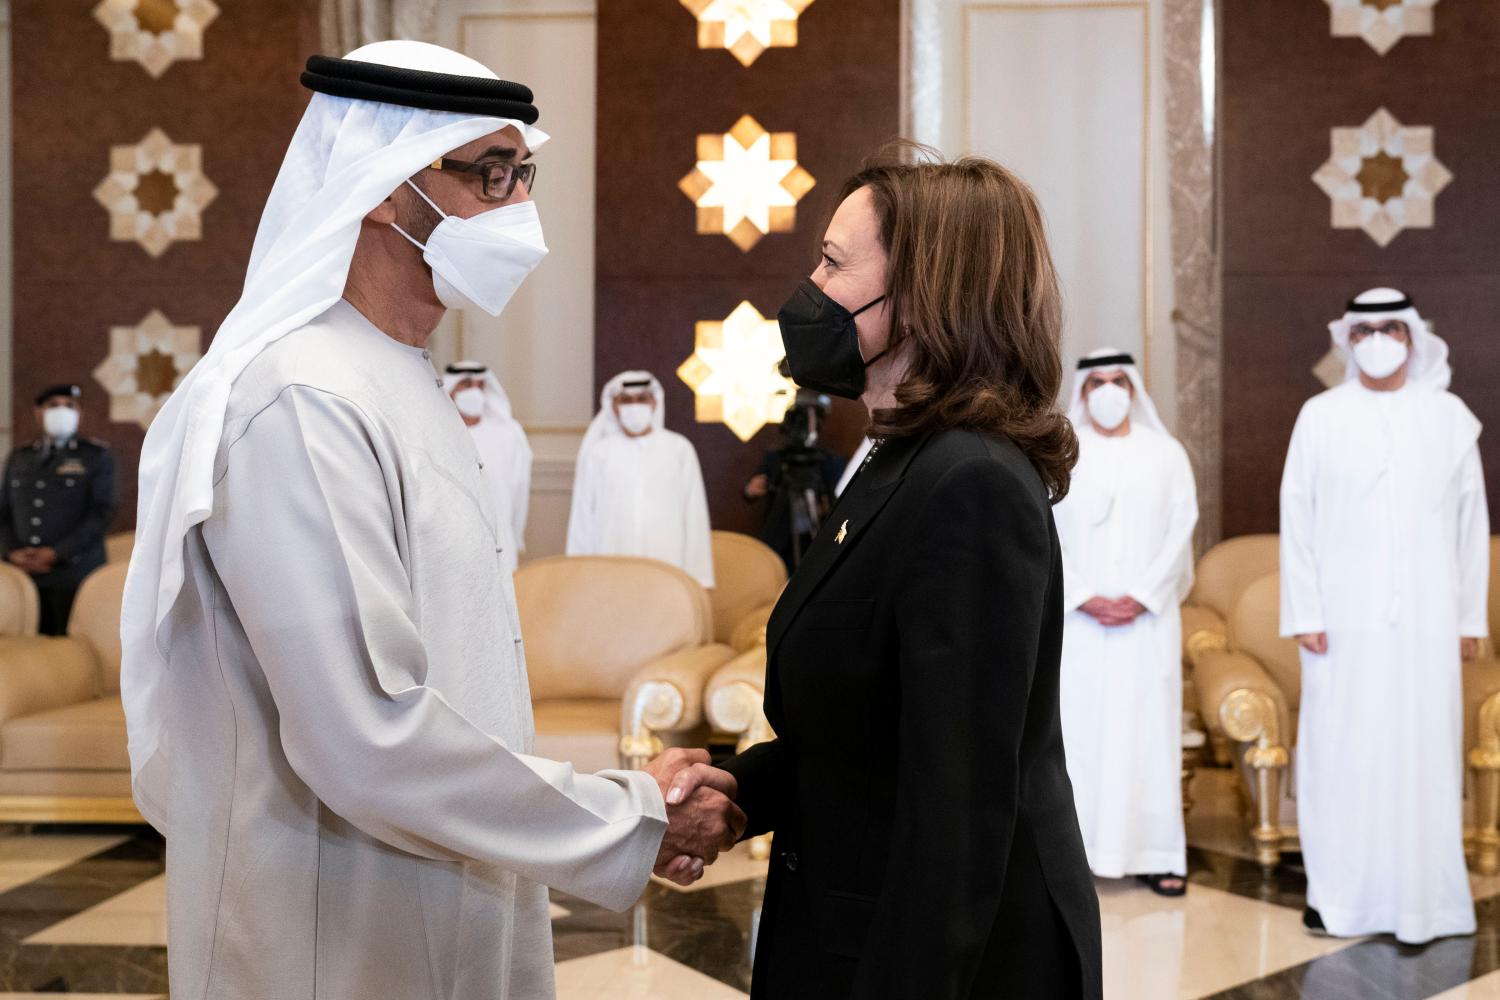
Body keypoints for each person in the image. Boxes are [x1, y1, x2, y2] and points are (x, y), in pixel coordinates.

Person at [118, 41, 743, 999]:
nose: (519, 211)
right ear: (380, 185)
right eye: (490, 175)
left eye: (525, 173)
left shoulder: (397, 374)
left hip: (455, 881)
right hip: (332, 925)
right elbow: (363, 735)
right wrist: (630, 816)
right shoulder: (300, 398)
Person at [666, 150, 1103, 997]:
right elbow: (872, 737)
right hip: (846, 915)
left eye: (833, 261)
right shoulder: (894, 458)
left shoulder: (968, 482)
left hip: (934, 958)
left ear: (927, 290)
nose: (811, 286)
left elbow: (959, 811)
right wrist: (735, 793)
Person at [1281, 287, 1488, 944]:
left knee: (1421, 751)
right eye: (1364, 331)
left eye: (1390, 330)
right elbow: (1298, 521)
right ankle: (1336, 895)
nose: (1377, 342)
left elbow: (1469, 526)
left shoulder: (1450, 416)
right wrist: (1305, 611)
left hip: (1428, 621)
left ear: (1411, 339)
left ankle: (1426, 903)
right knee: (1341, 752)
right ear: (1349, 340)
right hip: (1339, 626)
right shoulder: (1319, 415)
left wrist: (1467, 619)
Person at [1053, 348, 1198, 897]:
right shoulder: (1060, 452)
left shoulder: (1166, 453)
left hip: (1147, 624)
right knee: (1077, 734)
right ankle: (1074, 855)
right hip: (1077, 623)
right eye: (1098, 383)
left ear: (1135, 389)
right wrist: (1085, 596)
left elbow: (1182, 529)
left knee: (1147, 735)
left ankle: (1155, 852)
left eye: (1120, 381)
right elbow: (1043, 529)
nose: (1109, 392)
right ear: (1083, 391)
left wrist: (1140, 596)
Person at [566, 371, 715, 588]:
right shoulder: (598, 453)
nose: (634, 406)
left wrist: (699, 579)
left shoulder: (679, 449)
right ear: (614, 407)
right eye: (626, 400)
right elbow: (582, 519)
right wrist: (578, 573)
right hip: (609, 571)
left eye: (641, 399)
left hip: (669, 569)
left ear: (654, 403)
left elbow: (695, 516)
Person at [0, 384, 117, 634]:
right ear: (38, 413)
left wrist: (56, 553)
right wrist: (11, 553)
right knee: (23, 654)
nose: (62, 411)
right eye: (53, 406)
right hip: (22, 576)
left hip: (74, 575)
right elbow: (4, 512)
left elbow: (102, 512)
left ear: (79, 414)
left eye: (69, 406)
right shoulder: (20, 457)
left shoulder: (95, 456)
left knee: (70, 654)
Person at [442, 360, 531, 572]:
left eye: (480, 385)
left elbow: (519, 492)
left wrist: (515, 535)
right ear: (451, 388)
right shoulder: (437, 432)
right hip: (452, 548)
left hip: (500, 543)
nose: (475, 392)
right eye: (466, 385)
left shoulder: (509, 435)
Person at [742, 389, 847, 569]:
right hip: (780, 537)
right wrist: (751, 489)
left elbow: (841, 500)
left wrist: (822, 508)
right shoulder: (776, 458)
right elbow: (750, 492)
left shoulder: (829, 461)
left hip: (815, 537)